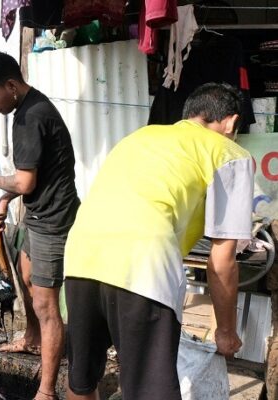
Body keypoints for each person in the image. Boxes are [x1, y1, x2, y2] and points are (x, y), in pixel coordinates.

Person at [64, 82, 250, 400]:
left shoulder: (140, 136)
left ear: (189, 115)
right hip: (142, 265)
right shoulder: (230, 153)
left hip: (81, 257)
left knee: (81, 382)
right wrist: (226, 332)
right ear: (231, 122)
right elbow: (222, 258)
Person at [0, 49, 80, 400]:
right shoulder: (29, 108)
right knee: (25, 277)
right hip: (38, 214)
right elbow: (33, 178)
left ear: (11, 85)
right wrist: (4, 201)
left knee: (47, 305)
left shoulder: (29, 118)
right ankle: (33, 339)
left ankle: (47, 391)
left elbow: (24, 182)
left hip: (54, 221)